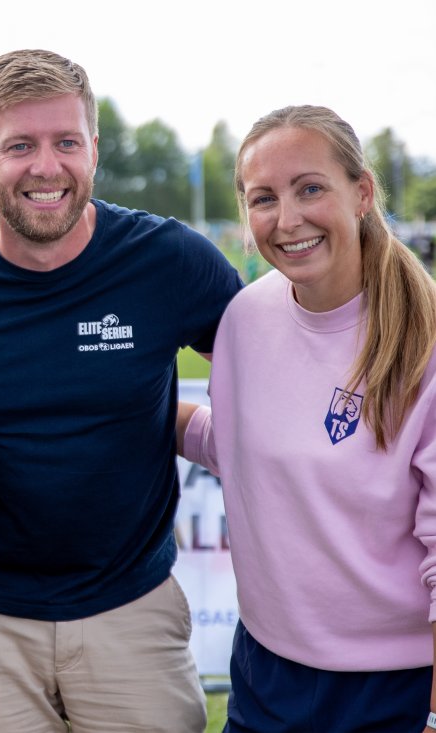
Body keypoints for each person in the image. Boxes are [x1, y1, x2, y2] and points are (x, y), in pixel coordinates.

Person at [0, 49, 243, 733]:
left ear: (94, 151)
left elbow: (277, 363)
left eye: (66, 142)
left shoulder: (167, 259)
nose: (46, 167)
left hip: (131, 612)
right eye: (20, 145)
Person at [177, 105, 436, 732]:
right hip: (266, 674)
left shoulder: (423, 339)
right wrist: (119, 405)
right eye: (263, 198)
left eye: (310, 188)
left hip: (397, 690)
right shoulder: (244, 318)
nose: (287, 220)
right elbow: (244, 449)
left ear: (362, 192)